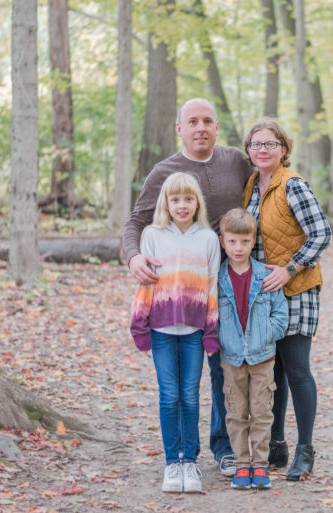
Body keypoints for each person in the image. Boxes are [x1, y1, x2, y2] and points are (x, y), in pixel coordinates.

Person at [123, 98, 252, 476]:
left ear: (216, 127)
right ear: (179, 128)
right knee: (193, 375)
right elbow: (137, 222)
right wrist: (134, 257)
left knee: (226, 368)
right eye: (192, 121)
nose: (201, 128)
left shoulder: (236, 162)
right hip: (185, 294)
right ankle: (187, 455)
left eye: (207, 121)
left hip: (234, 283)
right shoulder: (165, 171)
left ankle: (225, 445)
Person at [241, 119, 332, 481]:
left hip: (296, 288)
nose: (262, 149)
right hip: (265, 293)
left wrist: (290, 269)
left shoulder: (292, 185)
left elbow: (322, 233)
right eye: (256, 144)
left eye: (270, 144)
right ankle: (275, 446)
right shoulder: (250, 186)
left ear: (284, 149)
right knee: (272, 371)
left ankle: (305, 451)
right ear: (248, 150)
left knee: (296, 368)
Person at [130, 172, 221, 493]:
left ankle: (190, 462)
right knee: (170, 396)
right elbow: (144, 287)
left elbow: (211, 287)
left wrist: (211, 332)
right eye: (175, 199)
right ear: (165, 203)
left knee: (191, 395)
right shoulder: (153, 236)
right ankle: (173, 463)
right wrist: (139, 324)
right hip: (161, 330)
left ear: (197, 203)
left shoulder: (209, 239)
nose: (181, 205)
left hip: (195, 331)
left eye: (188, 199)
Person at [216, 208, 288, 490]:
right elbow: (212, 315)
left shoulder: (264, 275)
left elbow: (280, 315)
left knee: (261, 412)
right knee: (235, 412)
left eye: (244, 242)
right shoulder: (218, 278)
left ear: (253, 240)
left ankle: (260, 465)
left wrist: (266, 336)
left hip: (262, 357)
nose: (238, 247)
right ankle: (241, 465)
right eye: (232, 241)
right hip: (231, 358)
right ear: (223, 241)